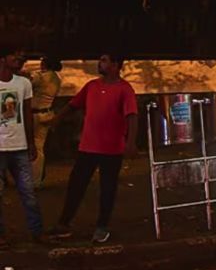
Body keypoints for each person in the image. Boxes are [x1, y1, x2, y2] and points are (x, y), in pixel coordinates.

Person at [46, 54, 137, 244]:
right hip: (88, 146)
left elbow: (132, 116)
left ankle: (102, 226)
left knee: (107, 188)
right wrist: (57, 119)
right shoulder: (92, 86)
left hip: (111, 148)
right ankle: (64, 223)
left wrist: (130, 142)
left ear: (115, 65)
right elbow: (73, 105)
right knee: (76, 185)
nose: (100, 64)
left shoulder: (124, 89)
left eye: (104, 60)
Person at [0, 48, 43, 248]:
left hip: (19, 147)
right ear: (3, 59)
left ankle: (37, 231)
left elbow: (26, 113)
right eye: (13, 56)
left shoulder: (24, 83)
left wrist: (31, 143)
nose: (18, 59)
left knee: (28, 191)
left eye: (20, 56)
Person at [30, 55, 63, 188]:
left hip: (35, 114)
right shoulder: (56, 78)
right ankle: (36, 179)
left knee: (31, 147)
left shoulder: (40, 77)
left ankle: (31, 178)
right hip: (47, 113)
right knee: (39, 147)